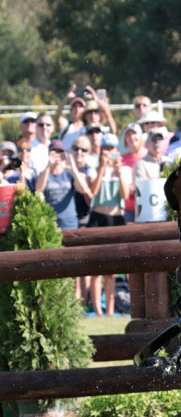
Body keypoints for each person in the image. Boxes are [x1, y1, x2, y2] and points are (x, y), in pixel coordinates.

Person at [88, 134, 132, 316]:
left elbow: (124, 194)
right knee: (96, 269)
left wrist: (118, 170)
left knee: (112, 270)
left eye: (113, 149)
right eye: (106, 149)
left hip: (116, 218)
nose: (110, 152)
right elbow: (93, 191)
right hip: (98, 217)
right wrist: (101, 169)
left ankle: (111, 310)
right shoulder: (93, 168)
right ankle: (98, 310)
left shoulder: (124, 169)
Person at [34, 141, 91, 231]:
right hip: (50, 221)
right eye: (54, 152)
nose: (57, 155)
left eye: (60, 152)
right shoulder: (44, 173)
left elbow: (83, 189)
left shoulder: (69, 173)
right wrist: (49, 165)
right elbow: (39, 189)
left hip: (69, 222)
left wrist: (73, 168)